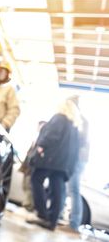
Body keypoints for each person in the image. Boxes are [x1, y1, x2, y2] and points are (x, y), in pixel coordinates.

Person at [27, 99, 80, 231]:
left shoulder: (59, 118)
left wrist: (41, 146)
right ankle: (52, 221)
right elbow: (75, 150)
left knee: (36, 179)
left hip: (51, 159)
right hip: (64, 164)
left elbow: (51, 135)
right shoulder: (74, 126)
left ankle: (43, 214)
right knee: (58, 189)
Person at [59, 95, 89, 234]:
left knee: (74, 190)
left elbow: (80, 141)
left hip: (78, 159)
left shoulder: (80, 120)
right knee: (66, 189)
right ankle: (59, 217)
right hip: (75, 158)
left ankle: (74, 224)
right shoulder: (78, 119)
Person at [19, 121, 47, 211]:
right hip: (28, 164)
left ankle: (28, 205)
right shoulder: (37, 138)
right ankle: (28, 204)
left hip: (34, 166)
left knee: (29, 186)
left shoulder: (43, 139)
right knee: (25, 185)